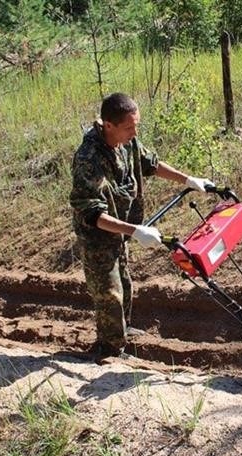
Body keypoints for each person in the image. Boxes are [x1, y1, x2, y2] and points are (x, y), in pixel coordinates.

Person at [70, 92, 213, 359]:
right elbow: (92, 214)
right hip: (98, 237)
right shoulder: (88, 159)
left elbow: (151, 164)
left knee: (125, 283)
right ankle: (109, 350)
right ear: (108, 125)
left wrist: (188, 180)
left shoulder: (127, 141)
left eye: (136, 125)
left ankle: (121, 329)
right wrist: (135, 231)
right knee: (109, 293)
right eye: (128, 127)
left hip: (121, 231)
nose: (134, 132)